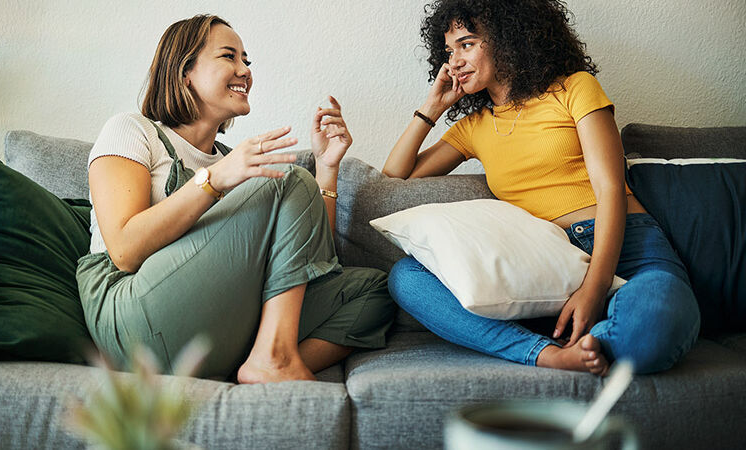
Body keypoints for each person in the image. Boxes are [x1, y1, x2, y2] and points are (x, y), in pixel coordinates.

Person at [382, 0, 699, 375]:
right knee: (407, 277)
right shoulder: (475, 127)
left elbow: (611, 189)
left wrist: (593, 290)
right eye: (449, 51)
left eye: (466, 45)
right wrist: (432, 107)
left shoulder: (575, 88)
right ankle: (547, 353)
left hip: (628, 249)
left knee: (656, 318)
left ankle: (596, 337)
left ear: (507, 38)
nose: (453, 62)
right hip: (543, 264)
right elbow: (395, 176)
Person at [76, 14, 395, 383]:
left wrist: (326, 168)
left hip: (216, 321)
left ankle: (262, 358)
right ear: (185, 73)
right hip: (132, 317)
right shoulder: (133, 131)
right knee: (287, 178)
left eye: (247, 60)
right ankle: (273, 358)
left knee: (377, 290)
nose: (245, 70)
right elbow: (124, 250)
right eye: (229, 56)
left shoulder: (234, 160)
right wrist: (215, 179)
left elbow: (309, 258)